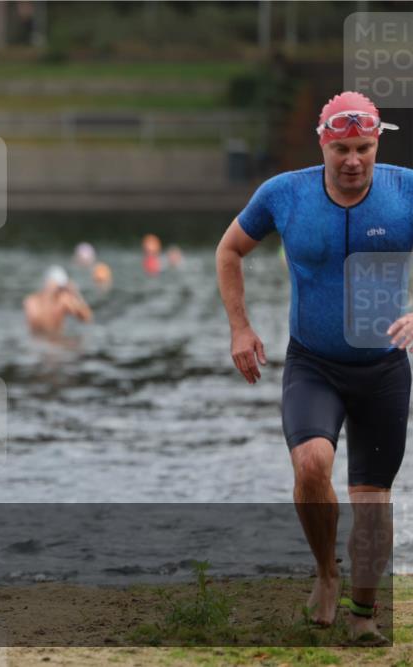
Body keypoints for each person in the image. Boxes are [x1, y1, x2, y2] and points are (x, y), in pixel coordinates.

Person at [216, 91, 411, 643]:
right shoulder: (284, 194)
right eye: (342, 148)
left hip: (384, 370)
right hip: (314, 364)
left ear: (378, 144)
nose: (353, 160)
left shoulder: (405, 190)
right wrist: (240, 327)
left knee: (371, 502)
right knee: (310, 464)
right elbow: (229, 250)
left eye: (364, 148)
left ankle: (364, 614)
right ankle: (327, 573)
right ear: (322, 144)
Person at [23, 265, 93, 335]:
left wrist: (76, 294)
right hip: (40, 340)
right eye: (59, 288)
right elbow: (35, 325)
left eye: (61, 288)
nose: (60, 292)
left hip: (54, 339)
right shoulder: (31, 302)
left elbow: (87, 318)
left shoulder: (63, 300)